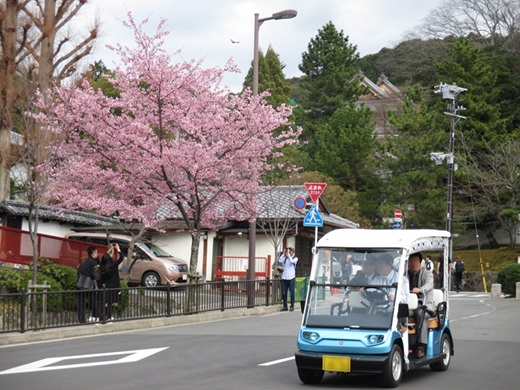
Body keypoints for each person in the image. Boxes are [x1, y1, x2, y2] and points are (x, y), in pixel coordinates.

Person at [408, 253, 435, 359]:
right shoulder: (405, 274)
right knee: (401, 311)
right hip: (411, 305)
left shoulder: (427, 273)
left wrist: (420, 289)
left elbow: (429, 284)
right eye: (411, 261)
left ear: (420, 262)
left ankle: (421, 346)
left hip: (426, 305)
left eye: (415, 261)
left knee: (421, 313)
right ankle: (403, 340)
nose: (412, 263)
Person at [97, 244, 125, 322]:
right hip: (112, 287)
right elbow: (121, 258)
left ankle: (100, 317)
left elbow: (105, 258)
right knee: (109, 303)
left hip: (104, 287)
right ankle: (108, 317)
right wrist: (118, 249)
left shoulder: (102, 267)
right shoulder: (113, 266)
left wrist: (110, 250)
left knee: (103, 302)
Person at [77, 246, 100, 323]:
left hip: (80, 284)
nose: (97, 254)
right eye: (96, 252)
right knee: (94, 300)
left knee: (81, 302)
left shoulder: (84, 262)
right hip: (89, 284)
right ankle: (96, 316)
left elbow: (78, 272)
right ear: (93, 253)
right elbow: (95, 274)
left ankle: (81, 319)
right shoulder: (93, 262)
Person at [278, 247, 298, 311]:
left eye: (290, 251)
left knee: (292, 293)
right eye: (288, 251)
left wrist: (288, 255)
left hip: (291, 278)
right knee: (284, 293)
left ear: (293, 252)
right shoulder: (285, 258)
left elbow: (292, 261)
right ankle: (285, 306)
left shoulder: (295, 258)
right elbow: (280, 261)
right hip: (284, 277)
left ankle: (292, 306)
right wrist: (284, 254)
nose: (289, 252)